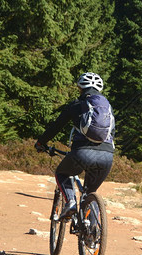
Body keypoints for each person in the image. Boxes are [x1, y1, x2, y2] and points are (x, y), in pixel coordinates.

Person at [35, 72, 115, 218]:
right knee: (90, 193)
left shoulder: (76, 105)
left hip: (82, 153)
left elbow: (56, 126)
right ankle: (93, 232)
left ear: (80, 88)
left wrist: (41, 142)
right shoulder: (107, 108)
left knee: (62, 173)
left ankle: (70, 202)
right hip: (107, 156)